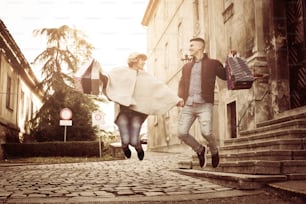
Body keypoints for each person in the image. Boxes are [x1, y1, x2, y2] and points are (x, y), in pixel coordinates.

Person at [177, 37, 227, 168]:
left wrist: (232, 60)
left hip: (205, 104)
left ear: (200, 47)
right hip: (188, 105)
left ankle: (214, 150)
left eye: (192, 45)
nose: (190, 48)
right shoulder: (186, 67)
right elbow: (182, 83)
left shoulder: (213, 63)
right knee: (181, 133)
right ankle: (199, 149)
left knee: (206, 132)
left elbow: (225, 75)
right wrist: (180, 98)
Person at [114, 53, 148, 161]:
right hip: (123, 110)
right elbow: (112, 82)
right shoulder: (123, 73)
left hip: (138, 111)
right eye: (142, 60)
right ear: (134, 61)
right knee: (125, 139)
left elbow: (154, 89)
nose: (144, 62)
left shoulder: (145, 76)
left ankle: (138, 147)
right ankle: (125, 147)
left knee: (133, 140)